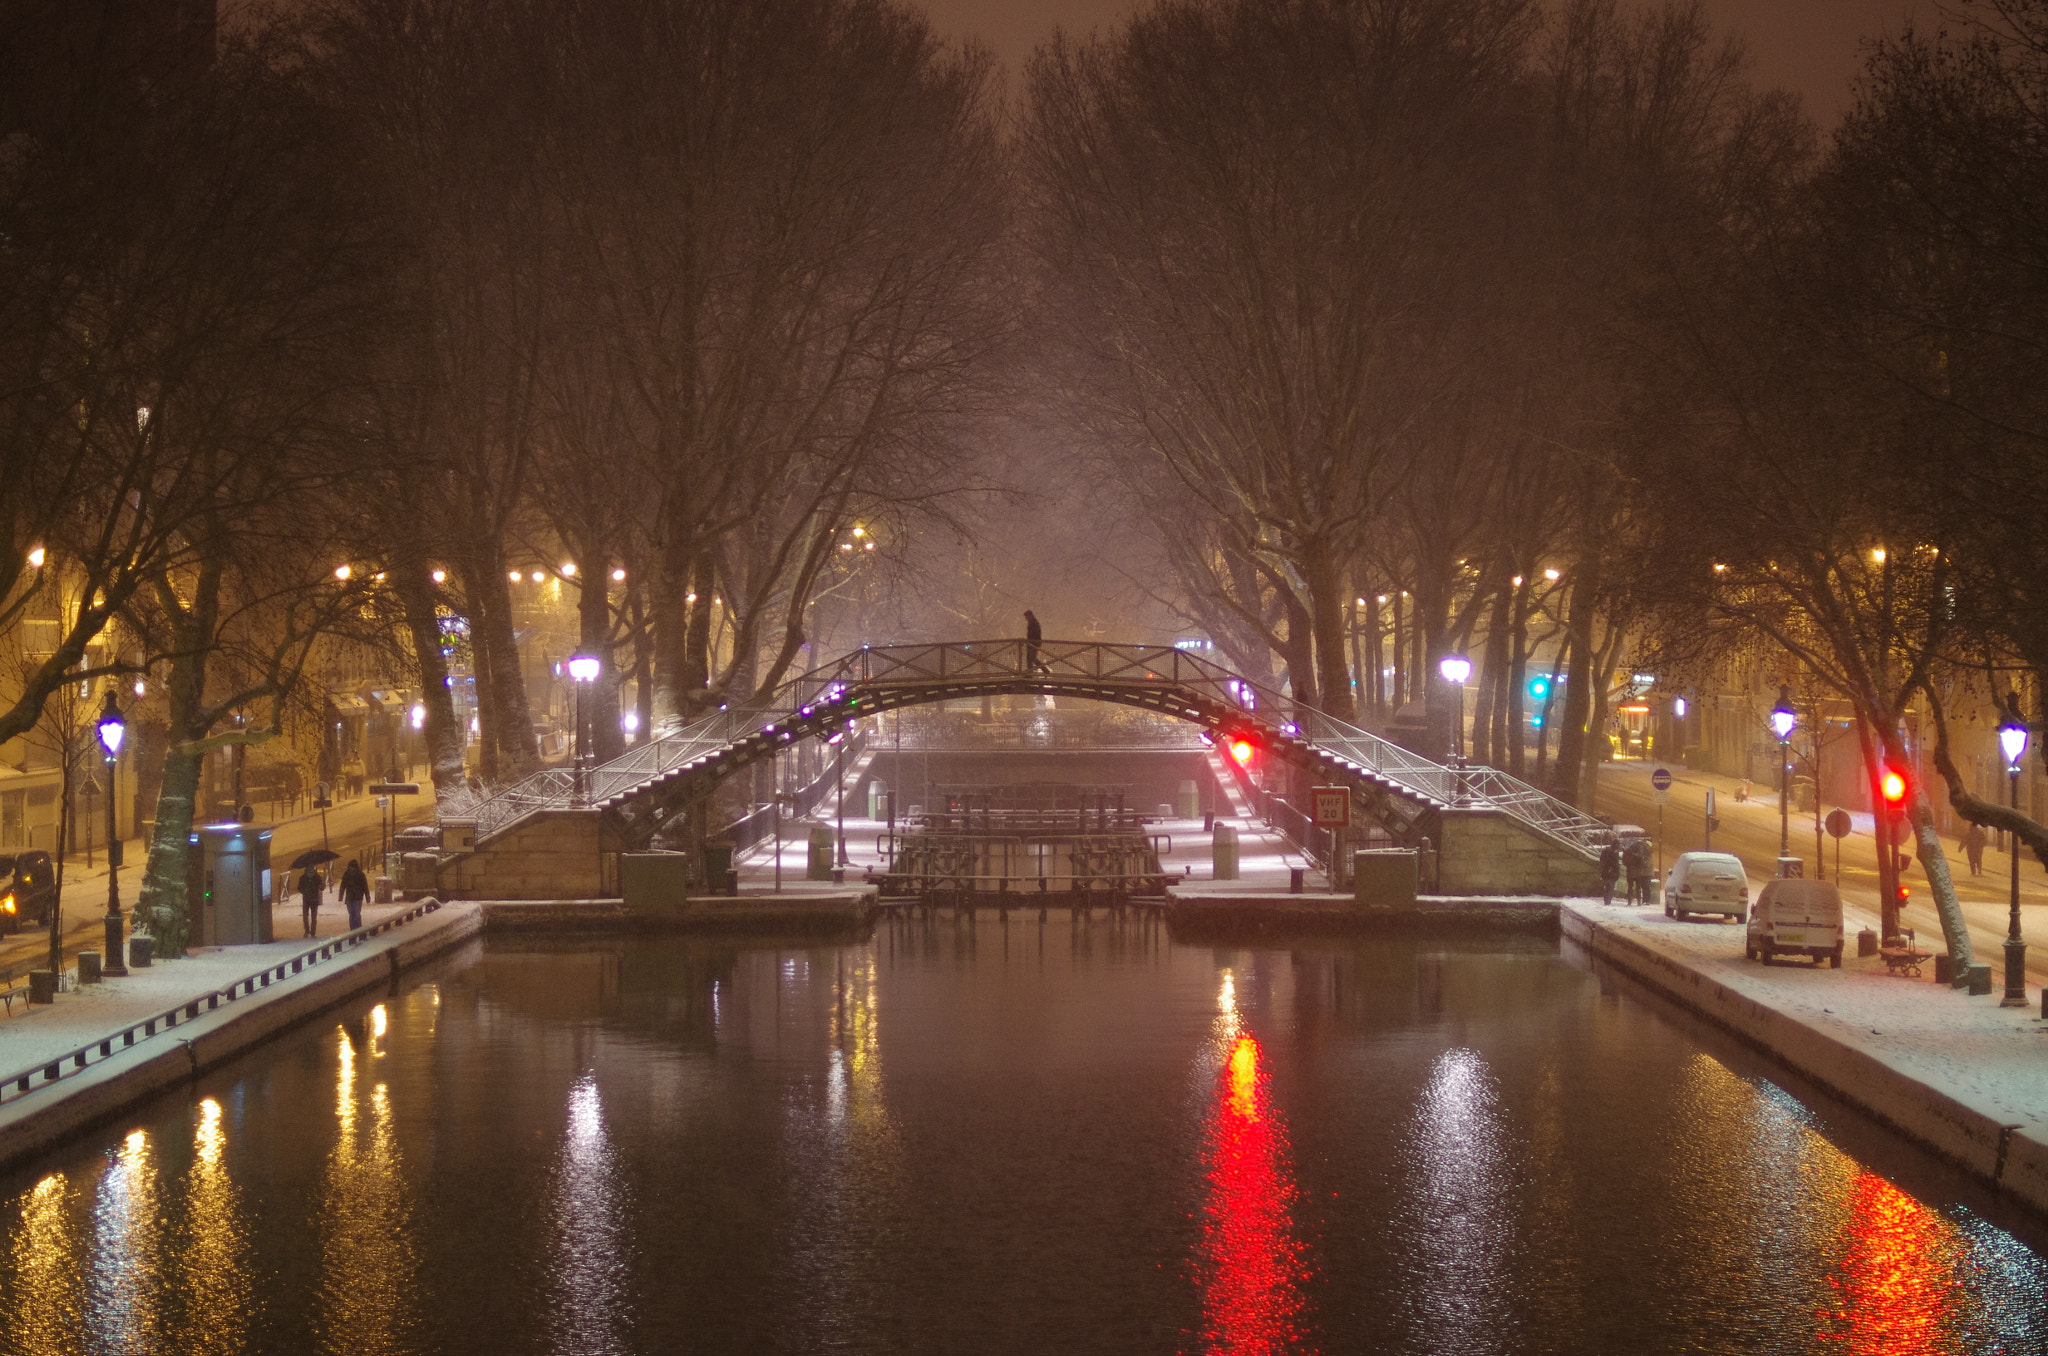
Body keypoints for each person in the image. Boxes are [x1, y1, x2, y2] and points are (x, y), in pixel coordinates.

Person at [339, 859, 370, 931]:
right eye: (351, 867)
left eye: (353, 867)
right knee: (352, 914)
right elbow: (343, 886)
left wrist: (367, 896)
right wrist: (341, 896)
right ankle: (353, 929)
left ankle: (358, 929)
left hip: (357, 897)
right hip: (350, 897)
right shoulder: (347, 874)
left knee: (356, 914)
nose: (352, 868)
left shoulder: (360, 874)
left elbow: (365, 886)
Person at [297, 866, 324, 937]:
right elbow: (299, 888)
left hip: (313, 899)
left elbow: (322, 887)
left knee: (312, 917)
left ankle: (312, 931)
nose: (311, 870)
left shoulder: (316, 877)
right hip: (307, 899)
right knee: (307, 916)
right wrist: (304, 891)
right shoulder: (304, 878)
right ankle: (308, 930)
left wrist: (321, 886)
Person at [1023, 609, 1050, 675]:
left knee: (1030, 658)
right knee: (1032, 658)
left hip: (1032, 643)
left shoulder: (1032, 622)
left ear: (1028, 616)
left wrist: (1029, 640)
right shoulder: (1035, 622)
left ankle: (1031, 673)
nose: (1025, 618)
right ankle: (1043, 670)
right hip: (1035, 642)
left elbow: (1032, 633)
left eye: (1026, 617)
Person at [1599, 839, 1622, 906]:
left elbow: (1601, 860)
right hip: (1612, 872)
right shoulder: (1614, 852)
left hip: (1605, 871)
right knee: (1611, 887)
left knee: (1607, 887)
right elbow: (1615, 864)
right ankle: (1608, 901)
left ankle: (1606, 900)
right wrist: (1617, 872)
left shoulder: (1606, 850)